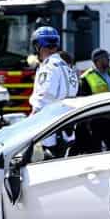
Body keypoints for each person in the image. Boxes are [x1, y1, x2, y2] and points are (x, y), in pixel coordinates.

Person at [29, 27, 79, 156]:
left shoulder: (48, 68)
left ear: (38, 46)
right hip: (67, 129)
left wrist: (27, 127)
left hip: (49, 132)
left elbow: (42, 99)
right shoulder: (67, 67)